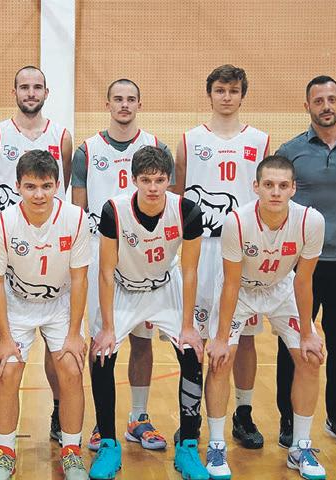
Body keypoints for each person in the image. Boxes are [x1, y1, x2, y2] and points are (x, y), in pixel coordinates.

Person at [89, 146, 207, 480]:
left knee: (192, 352)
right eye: (146, 180)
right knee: (101, 353)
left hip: (164, 287)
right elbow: (105, 271)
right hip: (123, 288)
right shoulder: (114, 210)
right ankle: (108, 443)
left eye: (159, 180)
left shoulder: (187, 210)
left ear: (170, 180)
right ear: (133, 180)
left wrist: (188, 326)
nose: (153, 187)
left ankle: (188, 444)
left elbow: (191, 270)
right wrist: (108, 327)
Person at [205, 155, 326, 480]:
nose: (275, 192)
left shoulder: (311, 221)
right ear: (256, 186)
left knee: (311, 358)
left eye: (283, 185)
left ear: (293, 188)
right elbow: (231, 283)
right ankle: (216, 445)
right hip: (241, 289)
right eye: (269, 185)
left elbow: (304, 281)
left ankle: (300, 446)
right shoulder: (237, 222)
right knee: (220, 360)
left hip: (282, 288)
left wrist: (307, 333)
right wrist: (220, 339)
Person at [172, 65, 270, 448]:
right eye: (219, 90)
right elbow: (178, 199)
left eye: (233, 90)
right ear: (209, 93)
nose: (226, 96)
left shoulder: (260, 141)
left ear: (243, 95)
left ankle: (243, 414)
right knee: (194, 336)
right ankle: (192, 416)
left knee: (244, 338)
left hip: (244, 251)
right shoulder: (189, 140)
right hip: (201, 248)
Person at [71, 79, 171, 451]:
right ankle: (103, 424)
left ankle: (139, 418)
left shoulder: (157, 146)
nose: (124, 105)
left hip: (145, 255)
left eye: (131, 99)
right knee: (102, 341)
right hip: (102, 253)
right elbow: (79, 211)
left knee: (142, 341)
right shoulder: (86, 151)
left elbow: (167, 205)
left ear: (140, 104)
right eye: (118, 99)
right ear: (107, 104)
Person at [0, 150, 91, 480]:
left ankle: (71, 451)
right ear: (17, 186)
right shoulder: (2, 224)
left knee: (71, 368)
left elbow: (80, 278)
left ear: (57, 185)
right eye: (30, 186)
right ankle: (5, 454)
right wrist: (4, 337)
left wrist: (74, 333)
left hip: (59, 304)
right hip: (17, 306)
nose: (39, 194)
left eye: (46, 186)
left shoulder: (75, 219)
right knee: (7, 371)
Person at [275, 75, 336, 450]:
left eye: (331, 99)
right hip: (300, 265)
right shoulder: (291, 151)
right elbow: (277, 199)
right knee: (292, 342)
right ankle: (287, 419)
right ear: (307, 106)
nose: (325, 106)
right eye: (318, 100)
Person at [0, 65, 73, 447]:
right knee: (1, 346)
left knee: (58, 351)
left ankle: (59, 413)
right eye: (24, 87)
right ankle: (0, 421)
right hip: (10, 248)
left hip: (51, 251)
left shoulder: (62, 137)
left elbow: (63, 184)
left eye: (37, 87)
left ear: (46, 92)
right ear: (14, 91)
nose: (31, 93)